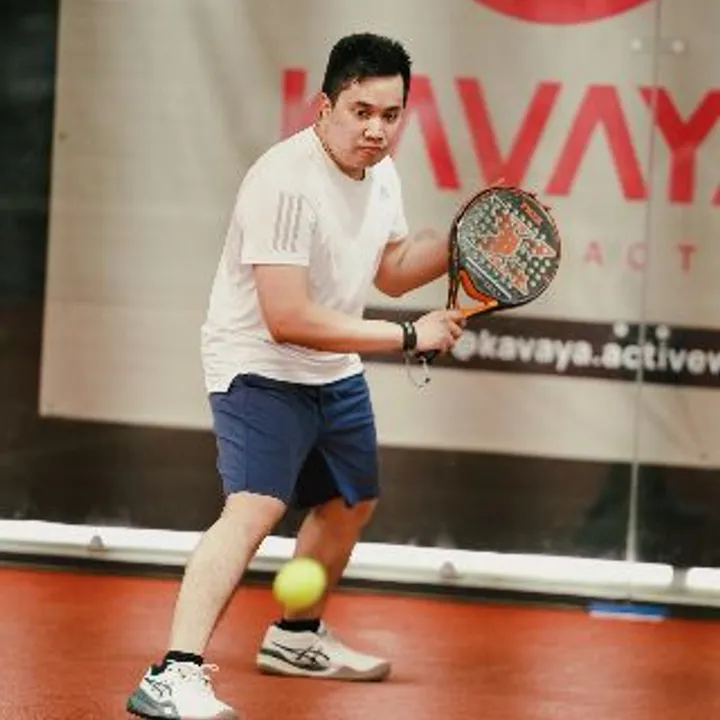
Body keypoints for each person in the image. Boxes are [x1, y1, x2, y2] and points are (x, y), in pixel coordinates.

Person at [126, 31, 465, 720]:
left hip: (331, 369)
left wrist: (464, 244)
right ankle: (173, 673)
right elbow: (287, 318)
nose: (376, 130)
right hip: (258, 364)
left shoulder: (382, 175)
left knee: (349, 501)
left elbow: (393, 270)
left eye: (390, 115)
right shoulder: (283, 181)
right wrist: (409, 336)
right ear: (324, 107)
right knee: (255, 506)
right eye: (360, 112)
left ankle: (295, 636)